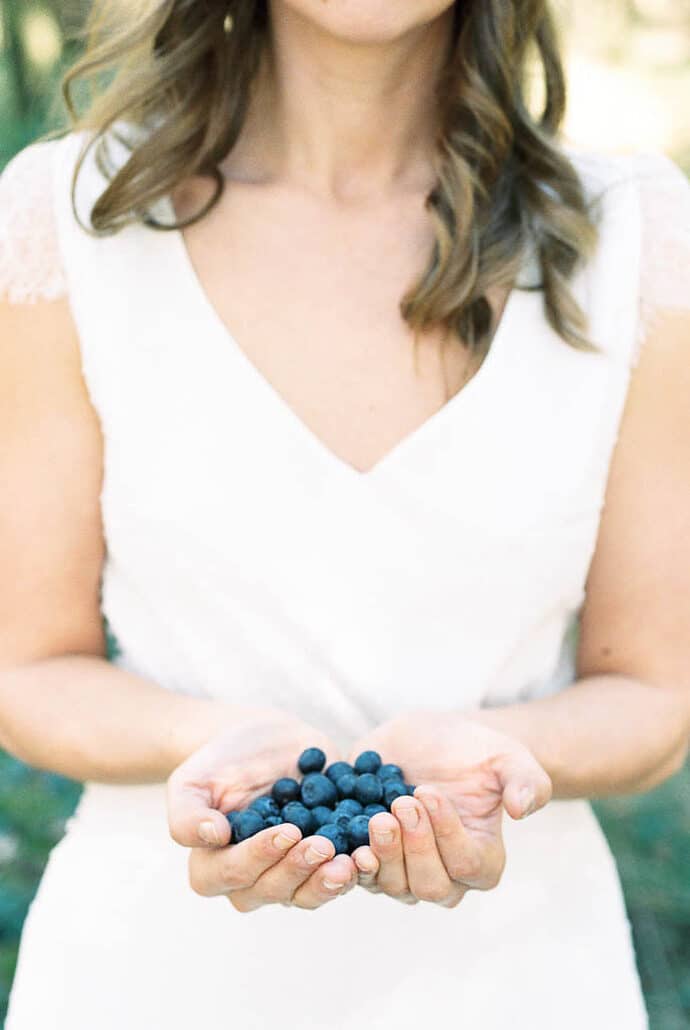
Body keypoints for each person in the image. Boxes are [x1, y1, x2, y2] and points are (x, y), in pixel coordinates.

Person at [1, 1, 689, 1026]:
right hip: (150, 980)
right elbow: (27, 668)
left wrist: (487, 753)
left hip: (522, 981)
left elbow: (653, 697)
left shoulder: (630, 231)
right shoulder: (72, 214)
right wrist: (215, 736)